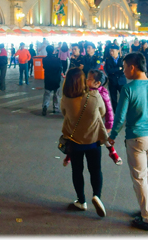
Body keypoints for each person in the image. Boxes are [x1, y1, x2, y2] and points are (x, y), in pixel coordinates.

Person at [108, 52, 148, 231]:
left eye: (124, 67)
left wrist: (112, 136)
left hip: (136, 138)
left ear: (132, 67)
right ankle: (147, 208)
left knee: (139, 177)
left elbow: (120, 118)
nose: (124, 71)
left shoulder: (128, 89)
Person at [60, 67, 108, 217]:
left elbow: (64, 114)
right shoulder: (94, 97)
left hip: (74, 142)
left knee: (77, 171)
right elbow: (103, 112)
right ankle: (97, 196)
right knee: (95, 170)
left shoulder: (66, 99)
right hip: (93, 141)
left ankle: (81, 201)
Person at [64, 70, 122, 167]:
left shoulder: (102, 93)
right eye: (87, 78)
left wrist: (109, 124)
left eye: (89, 79)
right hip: (83, 121)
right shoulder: (84, 90)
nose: (86, 80)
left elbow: (108, 110)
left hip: (96, 122)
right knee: (75, 137)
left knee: (102, 135)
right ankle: (69, 155)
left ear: (98, 83)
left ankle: (113, 152)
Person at [103, 44, 127, 111]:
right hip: (112, 81)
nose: (111, 52)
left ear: (118, 51)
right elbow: (109, 70)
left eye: (113, 51)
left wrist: (115, 70)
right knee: (113, 98)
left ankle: (123, 110)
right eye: (110, 51)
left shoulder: (123, 59)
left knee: (124, 97)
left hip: (121, 81)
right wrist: (118, 68)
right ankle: (116, 112)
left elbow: (123, 70)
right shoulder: (108, 60)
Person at [42, 45, 62, 116]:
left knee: (47, 94)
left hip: (48, 79)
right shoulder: (57, 59)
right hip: (56, 79)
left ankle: (45, 106)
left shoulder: (44, 59)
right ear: (53, 51)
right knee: (56, 94)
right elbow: (60, 68)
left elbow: (44, 67)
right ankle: (56, 108)